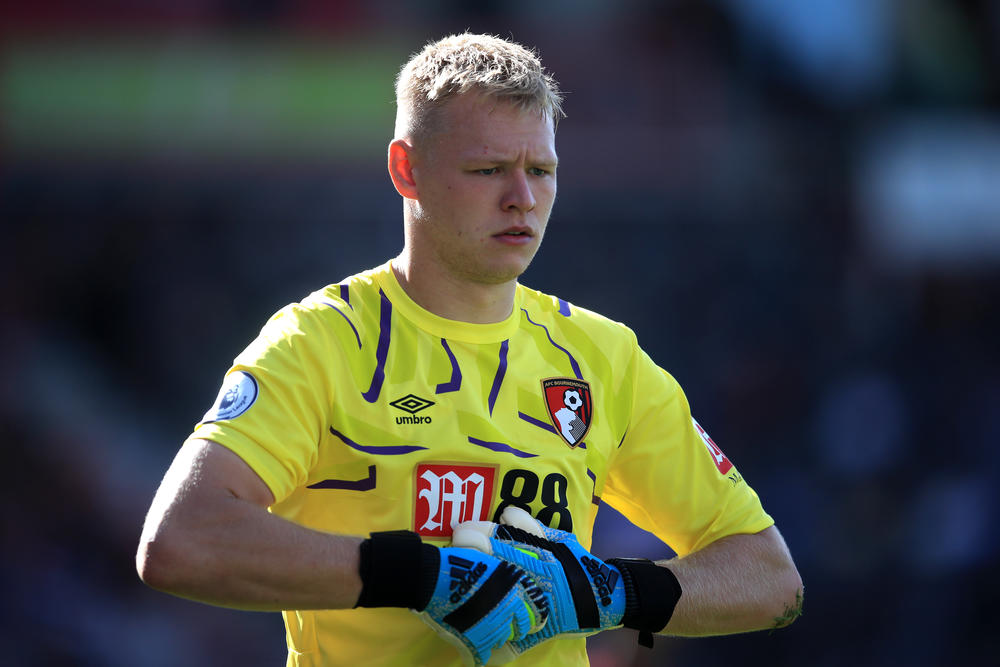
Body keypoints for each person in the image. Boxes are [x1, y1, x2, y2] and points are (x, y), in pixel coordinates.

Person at [136, 32, 803, 667]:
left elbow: (772, 579)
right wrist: (423, 575)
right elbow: (180, 541)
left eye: (541, 170)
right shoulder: (318, 342)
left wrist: (609, 592)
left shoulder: (604, 357)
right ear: (407, 169)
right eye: (488, 169)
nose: (522, 198)